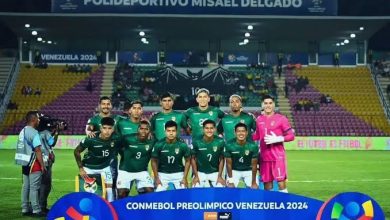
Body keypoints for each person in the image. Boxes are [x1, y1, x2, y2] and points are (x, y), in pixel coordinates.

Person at [253, 95, 295, 193]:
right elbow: (257, 136)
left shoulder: (281, 118)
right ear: (262, 105)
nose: (268, 105)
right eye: (266, 103)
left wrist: (278, 138)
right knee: (267, 186)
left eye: (270, 103)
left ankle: (284, 206)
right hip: (264, 157)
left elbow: (291, 136)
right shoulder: (259, 119)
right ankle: (271, 208)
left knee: (281, 184)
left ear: (274, 105)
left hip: (277, 157)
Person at [74, 117, 119, 202]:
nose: (107, 131)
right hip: (89, 167)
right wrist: (81, 168)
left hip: (104, 167)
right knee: (89, 191)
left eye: (110, 128)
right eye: (105, 128)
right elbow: (76, 151)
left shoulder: (116, 138)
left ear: (113, 129)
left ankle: (110, 209)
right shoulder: (91, 138)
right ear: (101, 128)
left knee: (109, 189)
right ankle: (87, 210)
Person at [14, 111, 46, 217]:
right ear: (33, 120)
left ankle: (25, 208)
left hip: (24, 162)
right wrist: (42, 164)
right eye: (38, 118)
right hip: (33, 162)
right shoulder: (34, 132)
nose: (39, 120)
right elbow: (37, 150)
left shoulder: (22, 130)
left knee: (25, 186)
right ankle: (36, 210)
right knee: (34, 187)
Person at [117, 120, 155, 198]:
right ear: (137, 129)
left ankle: (143, 209)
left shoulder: (153, 141)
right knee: (121, 194)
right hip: (125, 171)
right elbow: (116, 145)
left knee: (150, 192)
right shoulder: (127, 138)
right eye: (141, 128)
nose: (143, 131)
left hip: (142, 171)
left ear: (149, 131)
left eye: (146, 129)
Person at [151, 121, 191, 192]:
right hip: (162, 174)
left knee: (183, 196)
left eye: (173, 131)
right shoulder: (159, 144)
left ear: (177, 131)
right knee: (158, 196)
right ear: (165, 131)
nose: (171, 133)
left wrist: (184, 178)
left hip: (179, 174)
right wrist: (156, 178)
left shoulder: (182, 145)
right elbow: (153, 161)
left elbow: (188, 161)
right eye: (168, 131)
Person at [191, 120, 225, 188]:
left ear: (215, 129)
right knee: (195, 189)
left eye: (211, 128)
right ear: (203, 129)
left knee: (221, 189)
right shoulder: (196, 141)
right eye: (207, 128)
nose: (209, 130)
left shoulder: (220, 141)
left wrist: (220, 176)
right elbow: (192, 159)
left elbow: (222, 159)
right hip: (200, 172)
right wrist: (196, 176)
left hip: (215, 172)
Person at [225, 123, 259, 189]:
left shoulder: (253, 146)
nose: (241, 133)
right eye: (238, 131)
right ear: (235, 133)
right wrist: (231, 180)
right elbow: (228, 164)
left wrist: (253, 182)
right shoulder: (229, 145)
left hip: (248, 170)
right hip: (234, 170)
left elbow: (254, 165)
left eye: (243, 131)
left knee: (254, 189)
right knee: (230, 189)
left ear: (246, 133)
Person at [38, 121, 60, 214]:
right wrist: (57, 133)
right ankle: (42, 207)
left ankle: (34, 205)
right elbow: (52, 143)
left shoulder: (36, 132)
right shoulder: (46, 133)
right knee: (45, 185)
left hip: (37, 160)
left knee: (36, 184)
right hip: (45, 161)